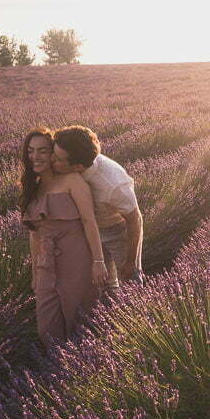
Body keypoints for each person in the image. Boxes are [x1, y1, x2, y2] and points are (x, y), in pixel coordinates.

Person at [19, 127, 109, 349]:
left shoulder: (72, 181)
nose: (35, 156)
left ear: (53, 153)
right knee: (47, 332)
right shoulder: (32, 187)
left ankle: (85, 374)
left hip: (77, 260)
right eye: (30, 151)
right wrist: (35, 273)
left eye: (42, 151)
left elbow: (89, 222)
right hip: (46, 265)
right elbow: (34, 235)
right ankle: (59, 371)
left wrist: (98, 262)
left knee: (81, 325)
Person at [51, 125, 144, 297]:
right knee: (102, 285)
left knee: (131, 282)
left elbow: (135, 219)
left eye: (57, 158)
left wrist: (131, 261)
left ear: (77, 166)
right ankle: (109, 315)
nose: (51, 160)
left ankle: (137, 318)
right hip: (88, 230)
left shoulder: (113, 184)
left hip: (118, 231)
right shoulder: (64, 167)